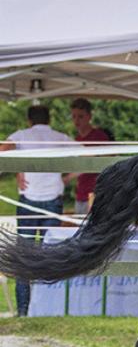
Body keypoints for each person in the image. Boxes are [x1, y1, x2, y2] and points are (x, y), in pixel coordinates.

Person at [0, 105, 72, 316]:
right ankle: (49, 308)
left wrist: (17, 170)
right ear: (49, 119)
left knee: (24, 255)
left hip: (28, 201)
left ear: (29, 120)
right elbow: (90, 152)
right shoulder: (60, 137)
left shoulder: (22, 135)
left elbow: (3, 150)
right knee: (52, 255)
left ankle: (23, 310)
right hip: (53, 201)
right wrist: (68, 177)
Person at [63, 98, 110, 215]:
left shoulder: (99, 137)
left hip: (96, 193)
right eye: (73, 116)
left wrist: (69, 177)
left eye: (80, 116)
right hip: (81, 193)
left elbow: (108, 160)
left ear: (89, 117)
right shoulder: (77, 140)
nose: (76, 120)